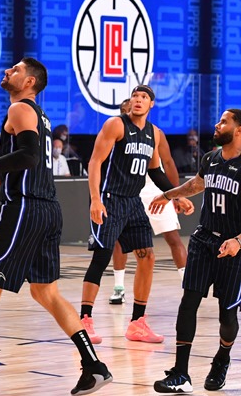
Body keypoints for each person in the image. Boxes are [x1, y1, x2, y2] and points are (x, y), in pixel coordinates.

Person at [0, 58, 111, 396]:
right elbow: (15, 171)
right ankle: (93, 366)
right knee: (45, 291)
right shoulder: (42, 118)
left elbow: (30, 157)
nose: (7, 72)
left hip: (22, 209)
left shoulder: (21, 109)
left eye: (16, 70)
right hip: (47, 209)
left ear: (31, 82)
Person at [79, 85, 194, 346]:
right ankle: (85, 320)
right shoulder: (115, 125)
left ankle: (137, 323)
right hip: (109, 199)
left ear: (151, 104)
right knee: (102, 256)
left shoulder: (154, 134)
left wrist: (177, 196)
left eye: (143, 97)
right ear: (130, 102)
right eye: (135, 96)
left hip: (133, 201)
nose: (138, 100)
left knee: (148, 256)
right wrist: (95, 199)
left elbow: (156, 171)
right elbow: (95, 162)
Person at [150, 109, 241, 393]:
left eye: (224, 121)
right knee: (188, 302)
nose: (217, 124)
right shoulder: (211, 158)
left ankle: (222, 359)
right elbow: (197, 184)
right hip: (204, 240)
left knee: (227, 316)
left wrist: (239, 240)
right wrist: (169, 195)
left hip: (234, 247)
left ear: (238, 130)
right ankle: (181, 374)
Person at [108, 99, 189, 305]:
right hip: (128, 192)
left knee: (174, 239)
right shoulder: (115, 130)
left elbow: (168, 163)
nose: (130, 112)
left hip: (155, 190)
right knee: (120, 241)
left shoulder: (155, 133)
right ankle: (119, 288)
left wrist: (176, 194)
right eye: (125, 111)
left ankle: (189, 287)